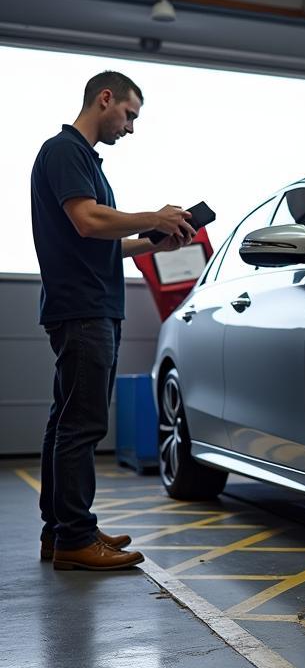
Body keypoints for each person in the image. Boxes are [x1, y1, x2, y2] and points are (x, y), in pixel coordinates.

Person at [30, 71, 196, 571]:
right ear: (106, 99)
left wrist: (155, 240)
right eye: (129, 115)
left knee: (66, 421)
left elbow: (103, 240)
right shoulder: (66, 152)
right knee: (83, 424)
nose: (130, 127)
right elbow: (88, 220)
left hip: (88, 303)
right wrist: (155, 214)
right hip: (84, 308)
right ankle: (76, 539)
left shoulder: (83, 161)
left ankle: (60, 530)